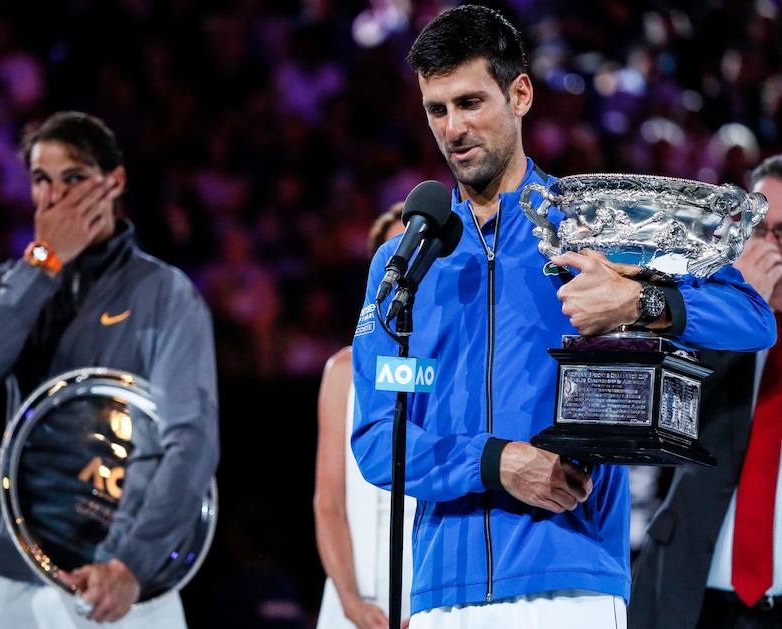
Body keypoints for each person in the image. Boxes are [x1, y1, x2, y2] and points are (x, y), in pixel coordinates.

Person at [350, 6, 777, 629]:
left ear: (520, 93)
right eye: (436, 110)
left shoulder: (595, 222)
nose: (453, 129)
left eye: (470, 102)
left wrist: (640, 301)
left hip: (574, 578)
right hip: (441, 594)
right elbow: (374, 439)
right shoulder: (406, 259)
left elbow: (751, 316)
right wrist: (496, 463)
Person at [0, 111, 218, 628]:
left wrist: (130, 563)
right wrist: (44, 263)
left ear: (114, 182)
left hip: (121, 585)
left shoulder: (167, 295)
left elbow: (191, 441)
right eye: (40, 181)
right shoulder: (15, 282)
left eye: (73, 178)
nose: (55, 198)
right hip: (15, 573)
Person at [629, 155, 782, 629]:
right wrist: (741, 312)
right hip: (692, 593)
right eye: (758, 232)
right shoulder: (699, 313)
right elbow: (658, 421)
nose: (771, 250)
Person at [314, 204, 412, 629]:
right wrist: (351, 602)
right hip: (350, 605)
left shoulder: (453, 368)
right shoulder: (342, 372)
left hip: (426, 602)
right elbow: (329, 502)